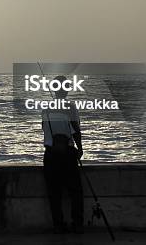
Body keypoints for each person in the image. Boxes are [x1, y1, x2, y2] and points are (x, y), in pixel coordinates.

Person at [42, 75, 84, 234]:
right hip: (67, 154)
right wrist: (80, 148)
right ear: (66, 90)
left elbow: (43, 128)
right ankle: (77, 224)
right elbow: (76, 129)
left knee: (54, 192)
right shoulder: (71, 106)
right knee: (75, 190)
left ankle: (58, 224)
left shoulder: (45, 107)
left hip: (51, 154)